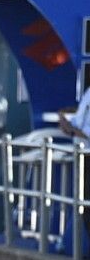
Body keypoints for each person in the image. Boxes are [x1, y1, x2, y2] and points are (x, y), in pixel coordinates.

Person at [58, 85, 90, 244]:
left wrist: (70, 130)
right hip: (82, 156)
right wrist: (66, 121)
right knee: (83, 205)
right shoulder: (88, 93)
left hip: (87, 153)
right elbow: (79, 121)